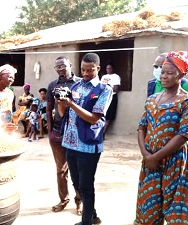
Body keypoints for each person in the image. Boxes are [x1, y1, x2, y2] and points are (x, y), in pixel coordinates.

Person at [135, 51, 188, 225]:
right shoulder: (152, 99)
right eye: (162, 71)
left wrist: (156, 157)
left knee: (177, 214)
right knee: (148, 212)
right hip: (150, 163)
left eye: (170, 73)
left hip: (177, 162)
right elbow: (142, 127)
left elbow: (183, 135)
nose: (164, 76)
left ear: (182, 74)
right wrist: (146, 155)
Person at [58, 53, 112, 225]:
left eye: (90, 70)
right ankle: (94, 216)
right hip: (70, 142)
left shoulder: (104, 90)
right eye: (83, 70)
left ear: (98, 69)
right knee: (77, 183)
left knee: (86, 186)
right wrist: (60, 101)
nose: (86, 73)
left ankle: (87, 222)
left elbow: (94, 118)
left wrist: (72, 104)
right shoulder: (75, 87)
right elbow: (63, 114)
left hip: (88, 145)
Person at [46, 56, 82, 213]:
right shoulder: (53, 85)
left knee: (78, 168)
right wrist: (49, 130)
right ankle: (63, 199)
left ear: (70, 65)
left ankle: (80, 201)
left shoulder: (80, 83)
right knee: (61, 169)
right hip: (57, 130)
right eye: (57, 67)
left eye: (63, 66)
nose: (60, 69)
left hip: (76, 131)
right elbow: (48, 108)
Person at [101, 63, 120, 137]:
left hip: (112, 97)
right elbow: (101, 87)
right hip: (104, 97)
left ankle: (103, 134)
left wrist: (108, 89)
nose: (108, 70)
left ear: (113, 69)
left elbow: (116, 88)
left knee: (109, 117)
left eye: (110, 68)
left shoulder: (116, 77)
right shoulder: (104, 77)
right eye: (107, 68)